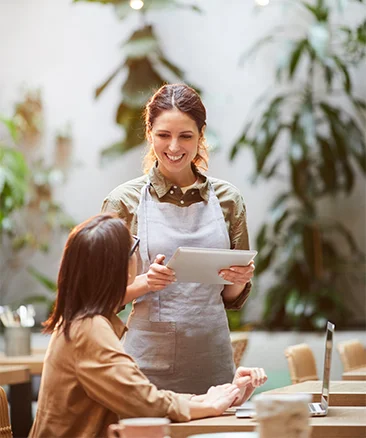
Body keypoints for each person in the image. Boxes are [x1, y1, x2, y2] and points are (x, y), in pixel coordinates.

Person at [29, 213, 267, 438]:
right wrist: (209, 404)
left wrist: (207, 399)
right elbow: (142, 401)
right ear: (117, 268)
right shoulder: (89, 329)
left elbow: (138, 395)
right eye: (133, 248)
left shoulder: (81, 322)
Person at [102, 83, 255, 394]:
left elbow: (230, 298)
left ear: (201, 135)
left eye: (186, 135)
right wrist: (147, 282)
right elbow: (101, 299)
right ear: (149, 133)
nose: (174, 147)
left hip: (213, 361)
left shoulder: (228, 200)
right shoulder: (124, 202)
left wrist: (239, 278)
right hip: (146, 369)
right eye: (163, 135)